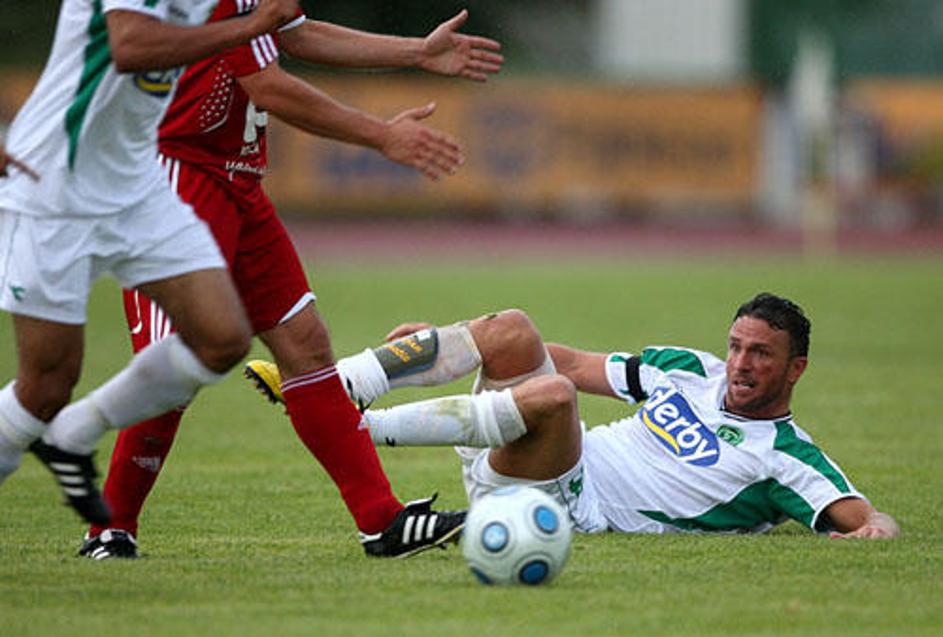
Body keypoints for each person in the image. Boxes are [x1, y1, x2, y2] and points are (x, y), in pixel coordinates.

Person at [79, 8, 503, 559]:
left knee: (304, 344)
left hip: (236, 181)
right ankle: (108, 530)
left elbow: (295, 33)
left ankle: (382, 520)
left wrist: (416, 51)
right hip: (175, 179)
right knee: (174, 360)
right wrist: (381, 135)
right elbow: (268, 86)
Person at [0, 0, 306, 525]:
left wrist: (415, 51)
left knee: (222, 338)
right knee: (45, 386)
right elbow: (130, 45)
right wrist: (247, 28)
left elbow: (292, 31)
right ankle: (65, 445)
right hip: (54, 182)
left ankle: (74, 433)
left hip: (137, 186)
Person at [248, 293, 900, 539]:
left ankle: (353, 427)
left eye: (760, 354)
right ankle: (339, 386)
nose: (740, 363)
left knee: (556, 396)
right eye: (736, 346)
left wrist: (875, 530)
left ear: (795, 368)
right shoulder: (689, 370)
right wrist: (454, 341)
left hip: (566, 502)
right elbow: (571, 359)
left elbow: (867, 518)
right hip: (523, 445)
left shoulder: (782, 455)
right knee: (513, 326)